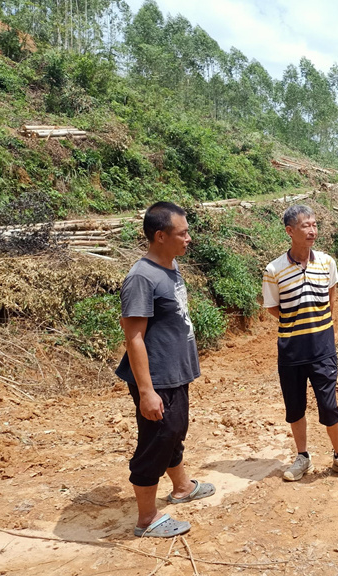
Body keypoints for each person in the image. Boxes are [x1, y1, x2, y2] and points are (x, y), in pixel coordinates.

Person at [116, 202, 215, 538]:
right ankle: (146, 519)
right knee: (156, 441)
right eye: (182, 233)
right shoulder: (141, 278)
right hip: (156, 377)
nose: (189, 238)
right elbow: (134, 336)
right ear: (160, 236)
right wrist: (146, 391)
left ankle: (183, 486)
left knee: (174, 431)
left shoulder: (169, 267)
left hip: (174, 372)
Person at [262, 204, 338, 482]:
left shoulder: (327, 263)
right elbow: (273, 307)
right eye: (306, 225)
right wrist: (297, 319)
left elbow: (331, 298)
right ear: (289, 231)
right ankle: (302, 457)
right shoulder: (274, 269)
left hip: (322, 349)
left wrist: (320, 325)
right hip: (291, 350)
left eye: (315, 225)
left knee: (329, 405)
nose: (312, 230)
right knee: (295, 407)